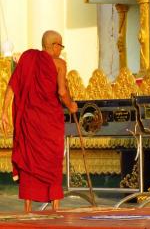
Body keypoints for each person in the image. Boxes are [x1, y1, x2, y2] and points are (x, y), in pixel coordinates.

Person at [1, 30, 78, 212]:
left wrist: (3, 112)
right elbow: (61, 92)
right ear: (54, 45)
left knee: (30, 160)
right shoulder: (59, 63)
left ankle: (28, 207)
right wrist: (71, 105)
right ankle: (55, 207)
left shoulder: (28, 59)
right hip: (50, 121)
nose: (61, 49)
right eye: (61, 45)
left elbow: (12, 86)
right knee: (52, 161)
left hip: (30, 121)